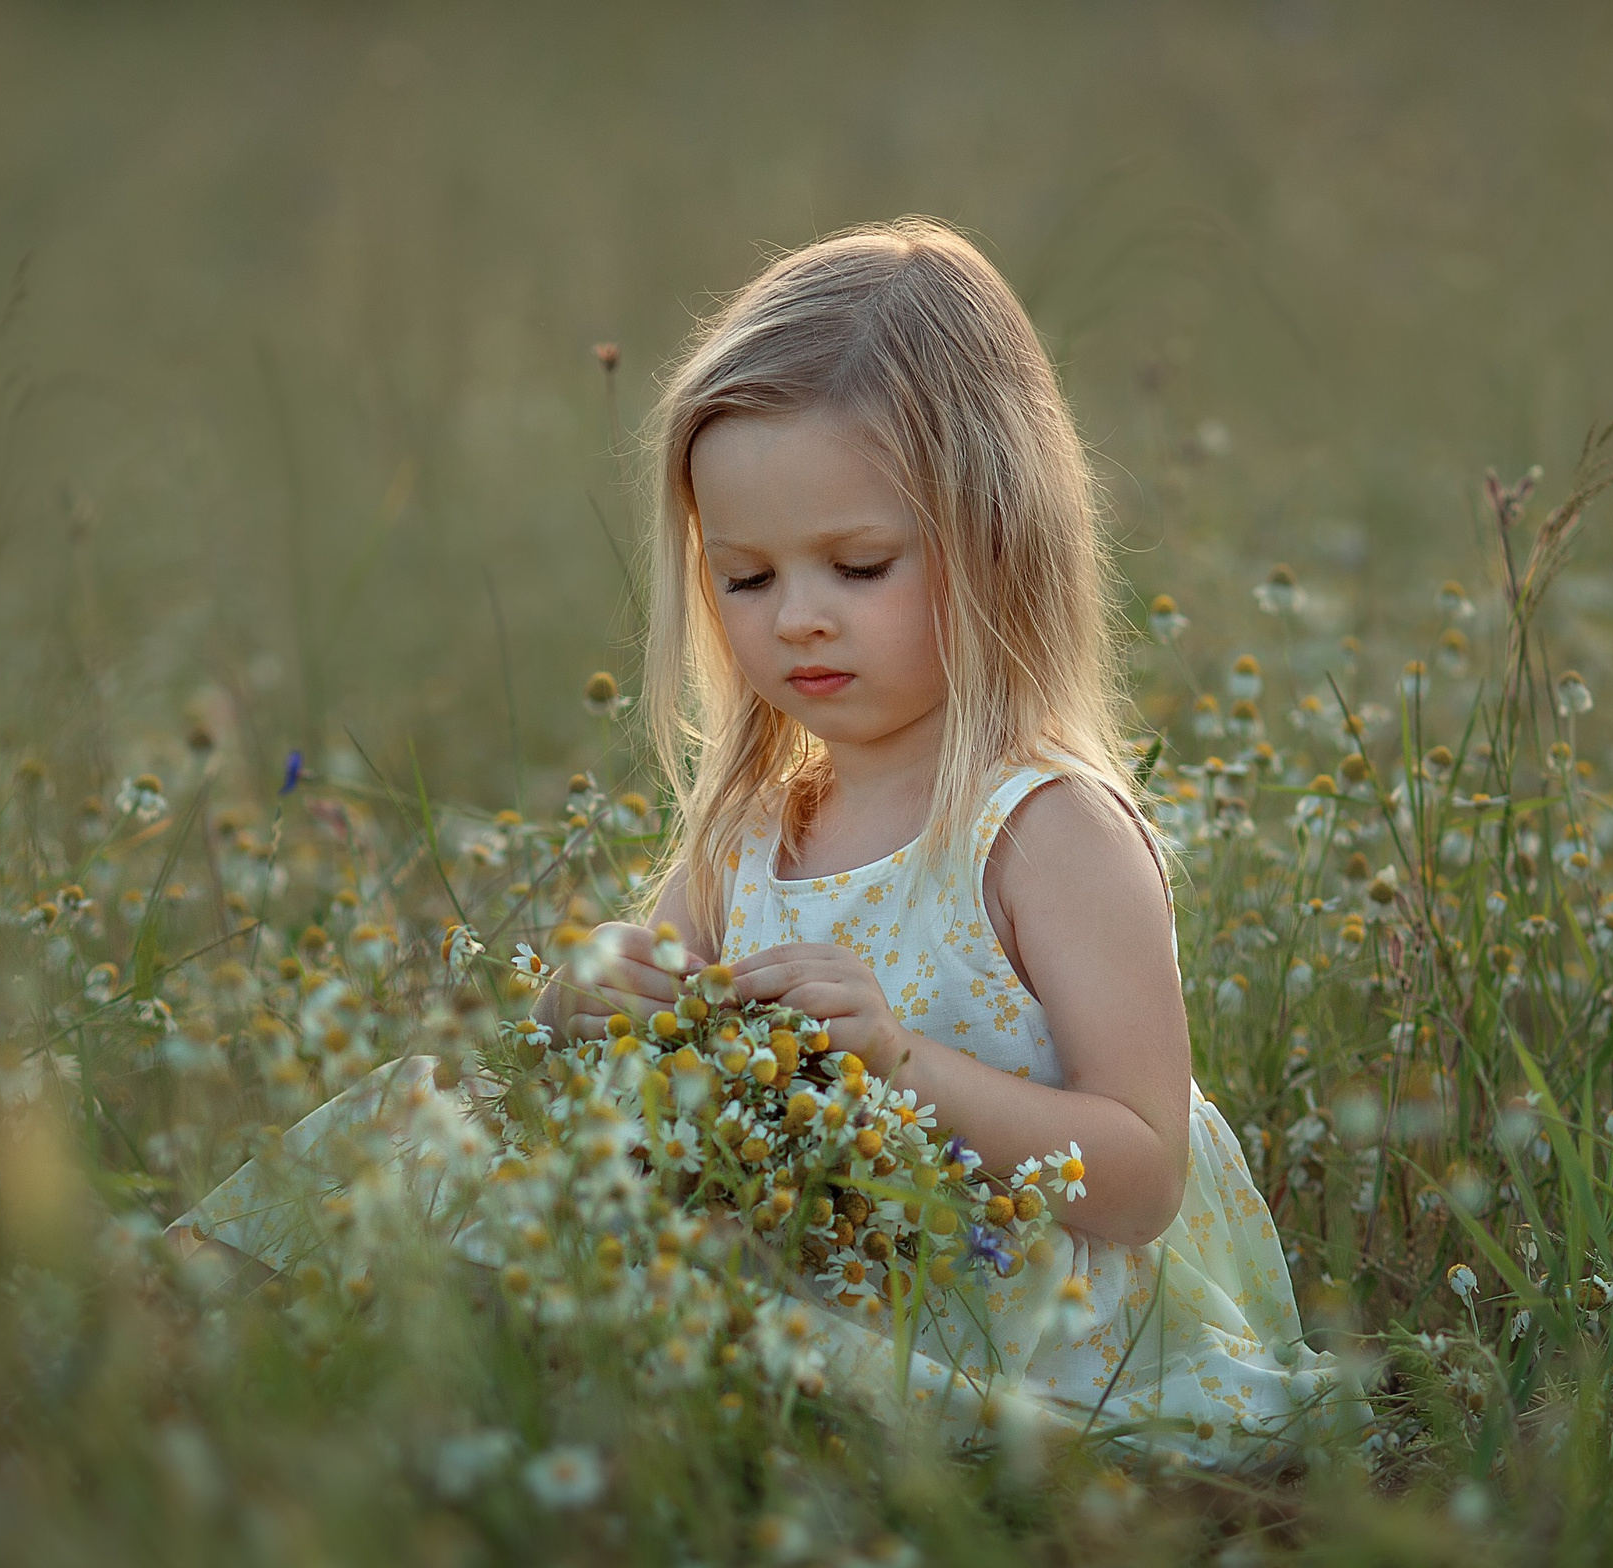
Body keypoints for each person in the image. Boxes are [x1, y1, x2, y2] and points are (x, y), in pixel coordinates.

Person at [177, 220, 1351, 1467]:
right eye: (743, 579)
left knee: (661, 1318)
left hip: (997, 1314)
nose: (797, 618)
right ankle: (179, 1335)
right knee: (419, 1115)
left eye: (858, 565)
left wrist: (901, 1063)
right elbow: (627, 1042)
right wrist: (587, 997)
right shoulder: (756, 827)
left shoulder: (1046, 831)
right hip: (795, 1245)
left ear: (1000, 538)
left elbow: (1141, 1175)